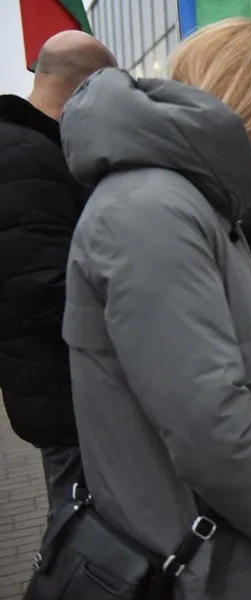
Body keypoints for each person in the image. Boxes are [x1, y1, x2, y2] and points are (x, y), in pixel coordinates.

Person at [58, 18, 251, 598]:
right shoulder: (153, 211)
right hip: (195, 564)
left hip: (212, 550)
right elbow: (210, 425)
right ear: (239, 93)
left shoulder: (184, 206)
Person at [0, 31, 117, 518]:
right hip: (67, 394)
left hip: (57, 388)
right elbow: (47, 290)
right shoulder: (26, 157)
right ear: (86, 89)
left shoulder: (30, 148)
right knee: (87, 543)